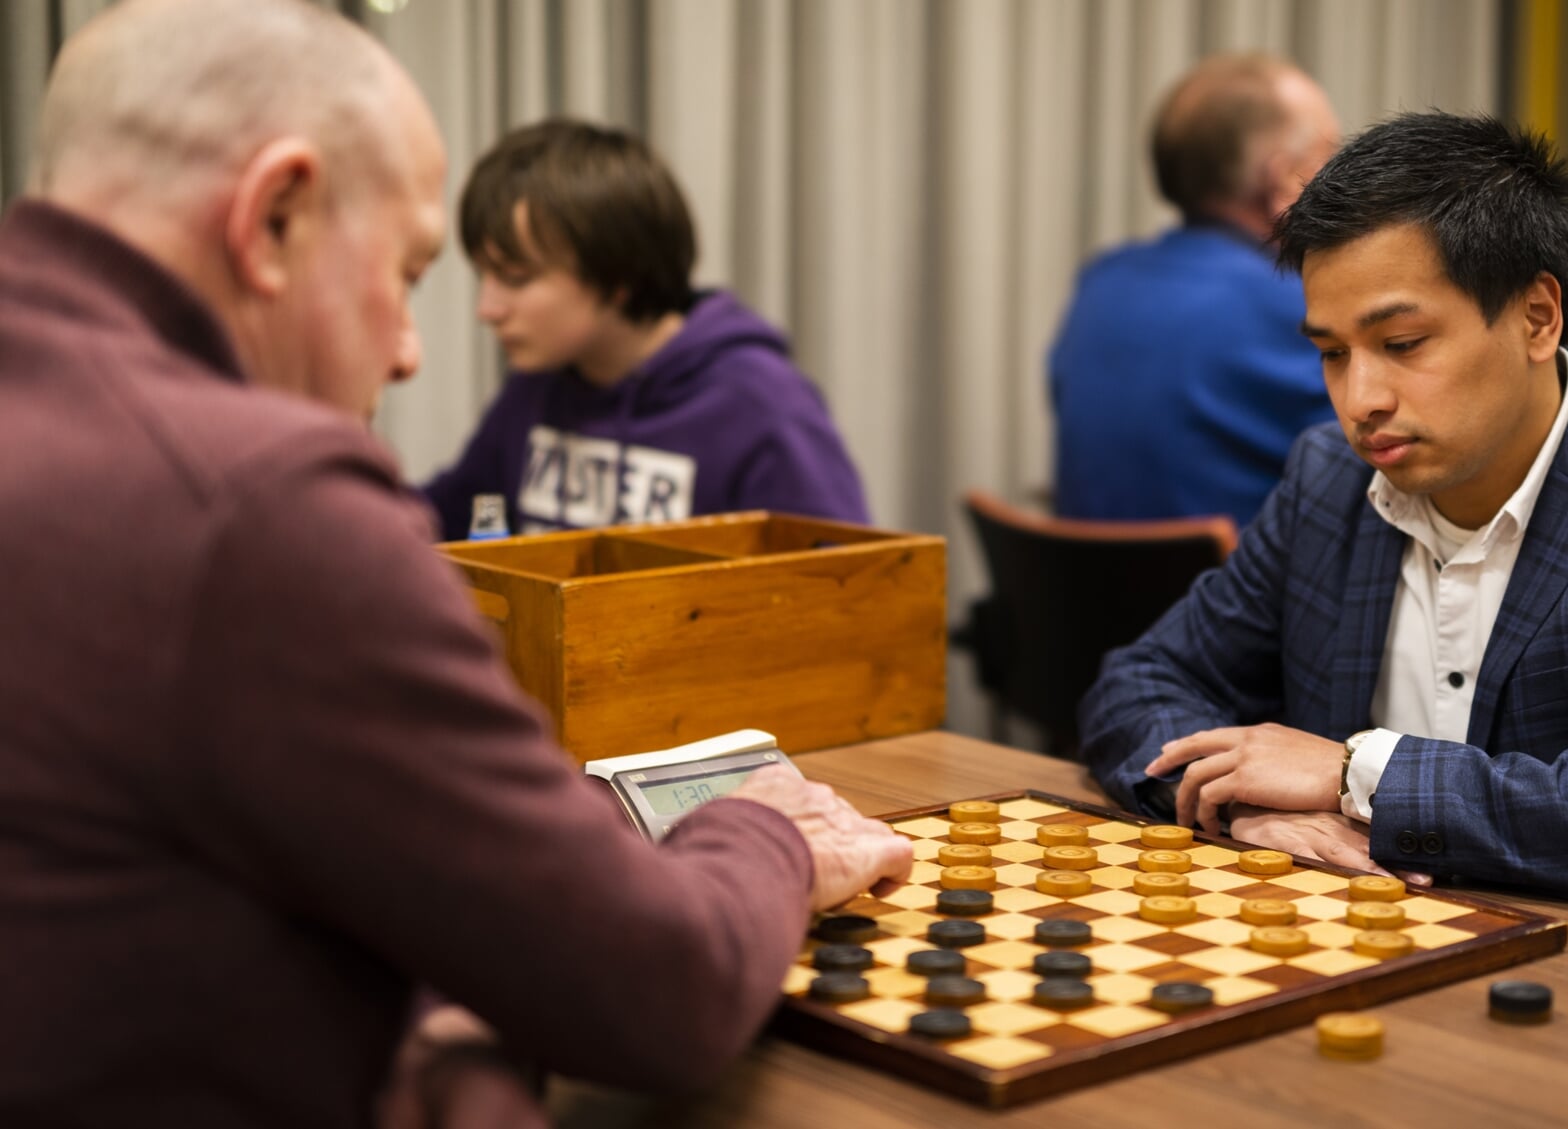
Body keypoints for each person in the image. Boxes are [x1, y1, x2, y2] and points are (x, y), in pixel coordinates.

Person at [0, 2, 911, 1127]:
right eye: (411, 270)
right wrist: (767, 830)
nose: (409, 347)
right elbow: (652, 991)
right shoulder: (261, 501)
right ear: (273, 216)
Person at [1079, 112, 1568, 923]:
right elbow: (1138, 686)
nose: (1360, 400)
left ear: (1536, 317)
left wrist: (1353, 774)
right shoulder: (1327, 480)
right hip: (1359, 954)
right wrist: (1246, 805)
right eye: (1331, 352)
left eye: (1403, 342)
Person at [422, 120, 868, 540]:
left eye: (516, 278)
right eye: (484, 275)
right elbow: (446, 518)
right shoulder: (537, 387)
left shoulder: (762, 404)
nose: (487, 309)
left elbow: (847, 590)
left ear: (618, 277)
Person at [1048, 54, 1341, 528]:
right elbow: (1382, 479)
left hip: (1088, 601)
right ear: (1286, 177)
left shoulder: (1101, 284)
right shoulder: (1299, 308)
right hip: (1235, 598)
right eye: (1328, 159)